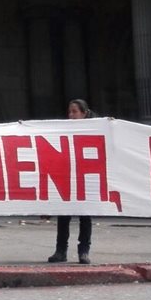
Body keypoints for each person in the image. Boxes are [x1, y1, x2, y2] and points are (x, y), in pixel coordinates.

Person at [49, 98, 94, 265]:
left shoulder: (94, 130)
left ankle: (84, 251)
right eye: (70, 112)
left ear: (84, 113)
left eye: (75, 112)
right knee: (63, 216)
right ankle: (61, 251)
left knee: (85, 216)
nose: (71, 115)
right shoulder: (64, 130)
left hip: (85, 178)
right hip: (67, 178)